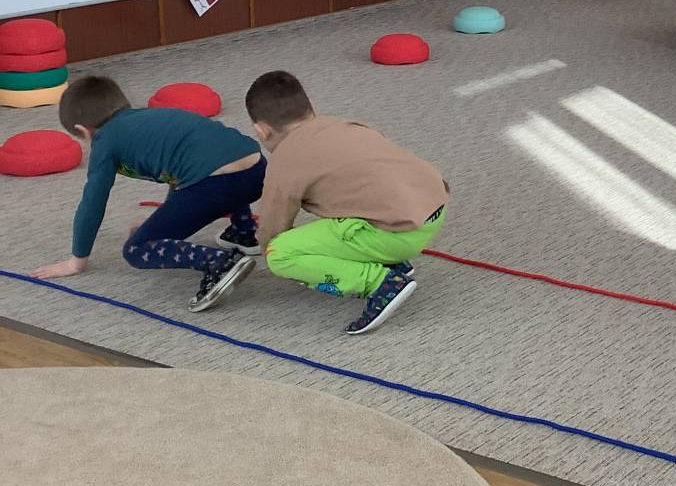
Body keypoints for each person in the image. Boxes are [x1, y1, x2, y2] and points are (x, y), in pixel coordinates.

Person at [31, 76, 264, 313]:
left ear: (83, 131)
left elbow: (93, 201)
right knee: (217, 168)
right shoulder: (151, 118)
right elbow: (182, 173)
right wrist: (161, 221)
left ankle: (220, 262)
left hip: (216, 186)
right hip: (257, 171)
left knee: (137, 249)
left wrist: (77, 260)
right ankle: (244, 233)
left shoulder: (105, 140)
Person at [245, 71, 449, 334]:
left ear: (261, 130)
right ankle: (390, 260)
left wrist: (270, 251)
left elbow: (274, 225)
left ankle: (379, 282)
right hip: (434, 207)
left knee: (280, 253)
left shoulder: (284, 161)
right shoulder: (346, 125)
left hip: (396, 233)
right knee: (354, 197)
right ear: (310, 110)